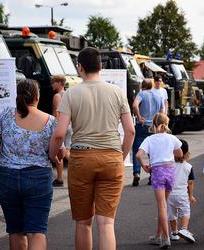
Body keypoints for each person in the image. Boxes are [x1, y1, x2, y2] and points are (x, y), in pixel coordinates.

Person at [49, 47, 135, 250]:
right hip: (112, 157)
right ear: (101, 67)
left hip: (82, 158)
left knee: (83, 222)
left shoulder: (70, 94)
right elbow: (130, 131)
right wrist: (119, 157)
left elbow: (60, 133)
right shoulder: (117, 92)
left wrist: (53, 156)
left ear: (80, 68)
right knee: (106, 223)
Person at [0, 79, 56, 250]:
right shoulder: (50, 121)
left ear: (18, 96)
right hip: (38, 177)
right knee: (36, 231)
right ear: (37, 97)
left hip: (6, 177)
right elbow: (55, 152)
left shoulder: (5, 114)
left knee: (15, 231)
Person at [136, 113, 183, 249]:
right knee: (164, 205)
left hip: (157, 172)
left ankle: (166, 238)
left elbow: (139, 154)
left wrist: (144, 165)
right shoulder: (171, 138)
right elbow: (179, 154)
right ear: (166, 124)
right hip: (170, 172)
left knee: (162, 206)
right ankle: (158, 235)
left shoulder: (150, 139)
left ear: (154, 125)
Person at [132, 78, 164, 186]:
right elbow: (162, 112)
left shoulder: (141, 94)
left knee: (137, 149)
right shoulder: (159, 95)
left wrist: (139, 116)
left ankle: (137, 173)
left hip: (143, 125)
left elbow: (135, 105)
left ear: (142, 86)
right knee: (153, 152)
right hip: (154, 126)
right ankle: (152, 176)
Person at [167, 139, 196, 243]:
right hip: (182, 194)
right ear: (187, 153)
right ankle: (184, 229)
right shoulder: (189, 167)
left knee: (171, 214)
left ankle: (174, 233)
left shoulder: (169, 165)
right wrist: (191, 196)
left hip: (169, 194)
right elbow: (190, 183)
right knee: (185, 212)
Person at [51, 74, 66, 187]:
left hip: (60, 125)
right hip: (69, 125)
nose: (52, 84)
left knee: (59, 151)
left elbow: (56, 113)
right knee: (67, 150)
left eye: (54, 82)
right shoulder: (68, 94)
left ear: (59, 83)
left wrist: (54, 126)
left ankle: (59, 178)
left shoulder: (57, 96)